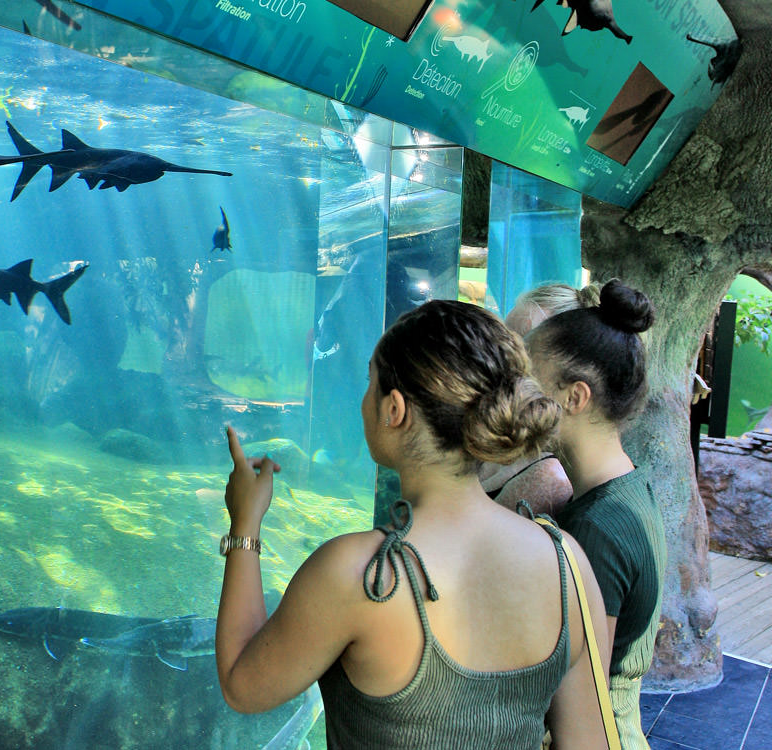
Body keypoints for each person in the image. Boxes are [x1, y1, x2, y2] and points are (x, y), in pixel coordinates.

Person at [216, 300, 611, 749]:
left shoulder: (359, 574)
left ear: (394, 409)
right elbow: (590, 742)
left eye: (370, 383)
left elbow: (242, 685)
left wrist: (245, 523)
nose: (364, 401)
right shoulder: (567, 563)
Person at [525, 279, 667, 750]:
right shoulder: (628, 487)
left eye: (528, 380)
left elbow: (582, 703)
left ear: (575, 397)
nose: (515, 395)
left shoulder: (596, 528)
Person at [482, 282, 601, 515]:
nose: (501, 361)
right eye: (504, 343)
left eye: (523, 349)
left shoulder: (548, 475)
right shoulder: (502, 432)